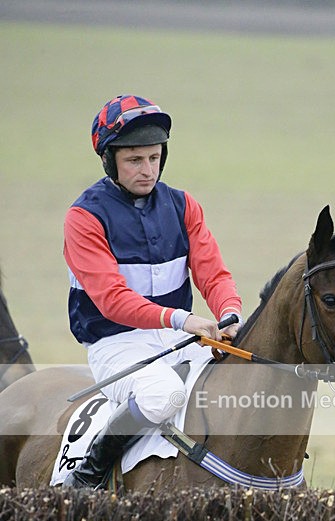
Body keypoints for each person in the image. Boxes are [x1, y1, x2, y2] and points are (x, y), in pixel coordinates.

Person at [62, 94, 243, 488]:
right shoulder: (84, 217)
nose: (147, 170)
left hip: (179, 335)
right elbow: (111, 299)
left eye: (154, 158)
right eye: (134, 160)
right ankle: (87, 478)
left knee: (239, 386)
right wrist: (184, 319)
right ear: (109, 160)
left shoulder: (183, 205)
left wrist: (230, 312)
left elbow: (213, 274)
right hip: (116, 343)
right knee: (164, 396)